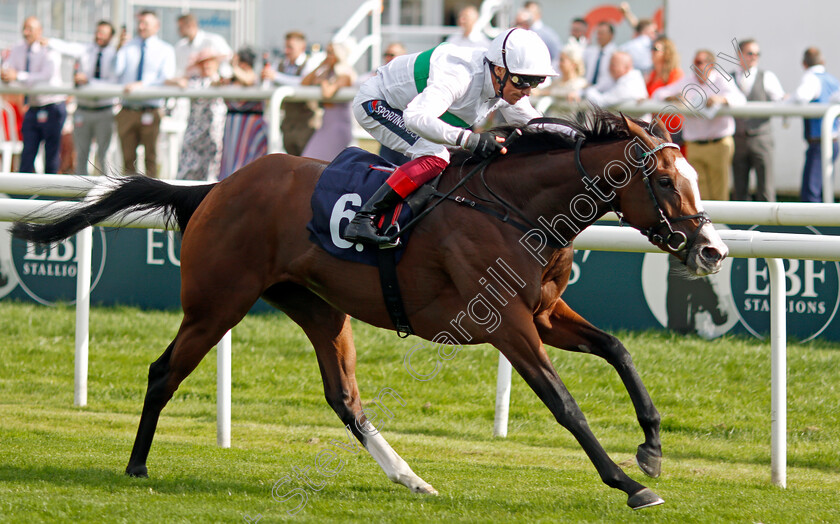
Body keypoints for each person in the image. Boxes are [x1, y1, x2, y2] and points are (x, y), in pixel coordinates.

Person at [344, 28, 569, 245]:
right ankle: (363, 218)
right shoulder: (461, 75)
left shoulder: (502, 82)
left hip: (408, 109)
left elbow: (536, 123)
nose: (528, 91)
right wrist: (469, 139)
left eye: (537, 81)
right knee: (436, 155)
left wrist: (578, 137)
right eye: (523, 81)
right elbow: (415, 117)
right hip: (378, 103)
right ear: (499, 70)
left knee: (446, 157)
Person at [653, 50, 746, 201]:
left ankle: (721, 223)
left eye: (699, 63)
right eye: (694, 63)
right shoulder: (688, 81)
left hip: (719, 143)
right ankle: (706, 224)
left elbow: (740, 99)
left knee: (720, 191)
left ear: (711, 65)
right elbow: (659, 93)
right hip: (695, 145)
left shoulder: (722, 80)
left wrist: (720, 99)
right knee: (699, 192)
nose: (695, 67)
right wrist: (673, 97)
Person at [46, 20, 119, 175]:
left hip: (104, 111)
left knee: (104, 156)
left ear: (111, 36)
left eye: (104, 33)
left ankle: (107, 192)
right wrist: (48, 42)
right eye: (98, 32)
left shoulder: (115, 56)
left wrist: (89, 81)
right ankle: (80, 195)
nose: (99, 36)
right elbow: (67, 48)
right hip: (83, 110)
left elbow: (113, 83)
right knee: (81, 154)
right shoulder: (87, 50)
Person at [113, 10, 176, 177]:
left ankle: (152, 200)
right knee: (127, 160)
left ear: (156, 26)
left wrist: (141, 85)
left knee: (151, 159)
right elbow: (115, 73)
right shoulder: (128, 47)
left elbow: (165, 78)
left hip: (151, 110)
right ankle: (129, 200)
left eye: (145, 24)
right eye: (139, 23)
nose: (141, 27)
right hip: (127, 110)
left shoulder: (166, 50)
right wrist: (118, 48)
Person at [0, 16, 66, 174]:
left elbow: (45, 76)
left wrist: (18, 76)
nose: (25, 32)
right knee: (27, 153)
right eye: (24, 28)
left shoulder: (49, 49)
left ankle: (51, 194)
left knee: (51, 156)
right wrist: (7, 74)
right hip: (33, 107)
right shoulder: (17, 48)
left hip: (53, 106)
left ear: (39, 31)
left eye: (30, 29)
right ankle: (24, 196)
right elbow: (9, 68)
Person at [730, 39, 785, 202]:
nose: (754, 57)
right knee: (739, 188)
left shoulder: (767, 77)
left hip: (761, 138)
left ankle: (767, 227)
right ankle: (739, 226)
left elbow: (780, 100)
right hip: (738, 139)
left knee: (766, 188)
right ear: (739, 55)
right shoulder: (728, 77)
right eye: (750, 53)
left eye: (757, 53)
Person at [261, 31, 324, 156]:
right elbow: (266, 85)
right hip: (288, 124)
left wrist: (276, 77)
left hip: (307, 124)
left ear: (302, 47)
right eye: (286, 47)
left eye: (290, 47)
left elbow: (303, 83)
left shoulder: (310, 63)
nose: (286, 51)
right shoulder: (279, 64)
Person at [790, 47, 839, 202]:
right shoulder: (832, 80)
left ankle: (812, 226)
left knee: (811, 189)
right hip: (834, 139)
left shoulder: (811, 78)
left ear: (804, 63)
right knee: (824, 185)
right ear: (823, 61)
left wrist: (786, 100)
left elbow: (800, 97)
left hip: (819, 141)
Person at [171, 48, 227, 181]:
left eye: (210, 62)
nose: (207, 65)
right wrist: (180, 81)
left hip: (215, 132)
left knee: (213, 169)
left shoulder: (222, 80)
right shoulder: (193, 81)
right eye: (203, 62)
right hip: (195, 132)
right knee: (188, 169)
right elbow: (169, 81)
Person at [300, 41, 357, 162]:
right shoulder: (328, 73)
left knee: (317, 161)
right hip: (326, 125)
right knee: (308, 159)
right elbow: (304, 83)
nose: (327, 56)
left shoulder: (345, 74)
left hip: (338, 127)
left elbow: (328, 93)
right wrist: (321, 66)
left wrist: (322, 81)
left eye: (330, 53)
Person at [218, 47, 267, 179]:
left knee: (250, 168)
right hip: (232, 131)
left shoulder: (254, 79)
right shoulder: (231, 81)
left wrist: (233, 66)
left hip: (250, 129)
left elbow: (248, 80)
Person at [646, 36, 684, 151]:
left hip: (673, 129)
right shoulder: (652, 75)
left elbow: (674, 96)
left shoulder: (675, 73)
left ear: (667, 53)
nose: (652, 52)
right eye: (651, 48)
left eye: (655, 49)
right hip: (657, 129)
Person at [174, 13, 232, 79]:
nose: (179, 31)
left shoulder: (213, 40)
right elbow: (179, 69)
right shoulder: (180, 46)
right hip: (191, 85)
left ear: (191, 25)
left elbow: (229, 57)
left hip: (215, 85)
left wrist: (209, 57)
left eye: (181, 27)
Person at [579, 51, 647, 107]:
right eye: (610, 64)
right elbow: (600, 87)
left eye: (613, 65)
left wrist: (588, 90)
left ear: (626, 68)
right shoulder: (617, 78)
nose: (610, 68)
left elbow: (602, 103)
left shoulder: (631, 83)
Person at [618, 2, 657, 76]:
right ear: (646, 31)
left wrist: (627, 13)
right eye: (653, 31)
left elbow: (637, 25)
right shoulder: (649, 44)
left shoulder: (627, 46)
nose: (655, 34)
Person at [583, 22, 617, 92]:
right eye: (597, 33)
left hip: (607, 92)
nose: (598, 36)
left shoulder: (615, 54)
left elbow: (609, 79)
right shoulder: (591, 52)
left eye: (602, 33)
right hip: (587, 91)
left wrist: (593, 89)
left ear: (611, 35)